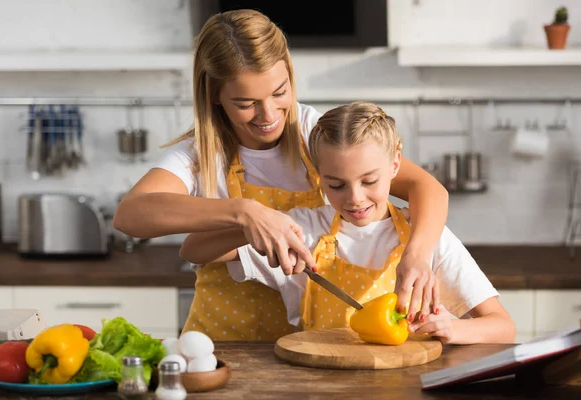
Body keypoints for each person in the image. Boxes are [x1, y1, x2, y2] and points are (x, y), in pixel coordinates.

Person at [113, 9, 449, 341]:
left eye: (279, 92)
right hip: (222, 345)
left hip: (305, 347)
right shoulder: (201, 153)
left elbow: (426, 187)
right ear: (213, 96)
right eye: (246, 102)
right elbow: (130, 215)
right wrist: (244, 212)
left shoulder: (311, 133)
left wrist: (417, 256)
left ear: (289, 74)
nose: (269, 114)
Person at [180, 102, 516, 344]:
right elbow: (196, 250)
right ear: (319, 176)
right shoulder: (304, 230)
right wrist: (250, 221)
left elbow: (503, 327)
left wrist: (454, 329)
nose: (354, 198)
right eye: (336, 185)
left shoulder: (427, 238)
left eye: (369, 181)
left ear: (396, 164)